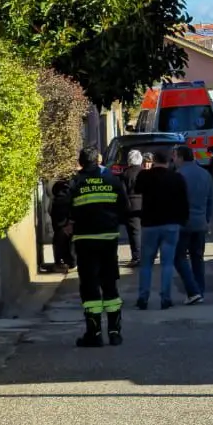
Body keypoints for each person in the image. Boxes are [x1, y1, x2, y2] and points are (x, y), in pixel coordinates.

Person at [64, 147, 130, 346]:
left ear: (81, 162)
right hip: (108, 240)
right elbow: (124, 208)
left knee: (90, 287)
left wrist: (69, 223)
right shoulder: (112, 180)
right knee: (110, 284)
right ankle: (114, 332)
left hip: (85, 241)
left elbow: (64, 207)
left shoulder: (76, 182)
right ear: (98, 161)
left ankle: (94, 334)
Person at [133, 148, 189, 310]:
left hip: (150, 224)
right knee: (167, 263)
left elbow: (137, 189)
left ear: (154, 160)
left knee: (146, 264)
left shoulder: (145, 176)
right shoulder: (177, 178)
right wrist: (182, 221)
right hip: (171, 224)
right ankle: (165, 298)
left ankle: (143, 297)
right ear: (169, 160)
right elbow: (184, 201)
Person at [172, 145, 213, 303]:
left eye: (175, 156)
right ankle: (200, 291)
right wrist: (207, 220)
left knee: (179, 257)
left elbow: (174, 202)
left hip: (183, 224)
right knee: (198, 257)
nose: (173, 160)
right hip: (200, 223)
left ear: (181, 158)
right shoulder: (205, 174)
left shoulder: (178, 175)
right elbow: (211, 201)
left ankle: (193, 291)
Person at [119, 150, 144, 267]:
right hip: (145, 204)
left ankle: (137, 257)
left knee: (134, 232)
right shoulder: (145, 173)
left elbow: (122, 193)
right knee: (144, 231)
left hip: (131, 205)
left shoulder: (125, 174)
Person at [49, 178, 76, 275]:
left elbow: (53, 212)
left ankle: (64, 263)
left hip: (62, 225)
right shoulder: (70, 195)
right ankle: (70, 263)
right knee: (69, 243)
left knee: (61, 242)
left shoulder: (57, 199)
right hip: (66, 224)